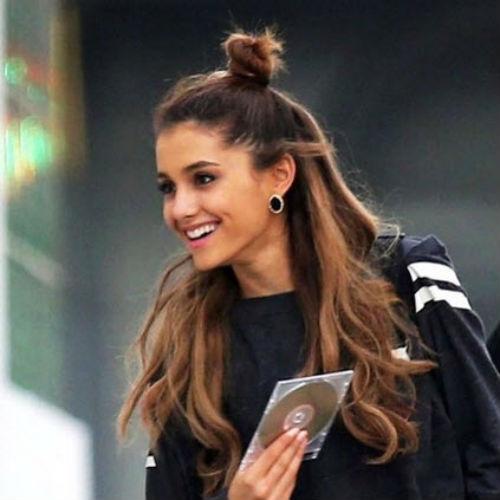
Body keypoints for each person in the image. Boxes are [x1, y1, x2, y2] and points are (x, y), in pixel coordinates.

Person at [117, 28, 500, 500]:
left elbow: (490, 451)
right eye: (168, 188)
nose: (180, 208)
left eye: (204, 179)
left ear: (279, 174)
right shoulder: (190, 355)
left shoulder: (409, 275)